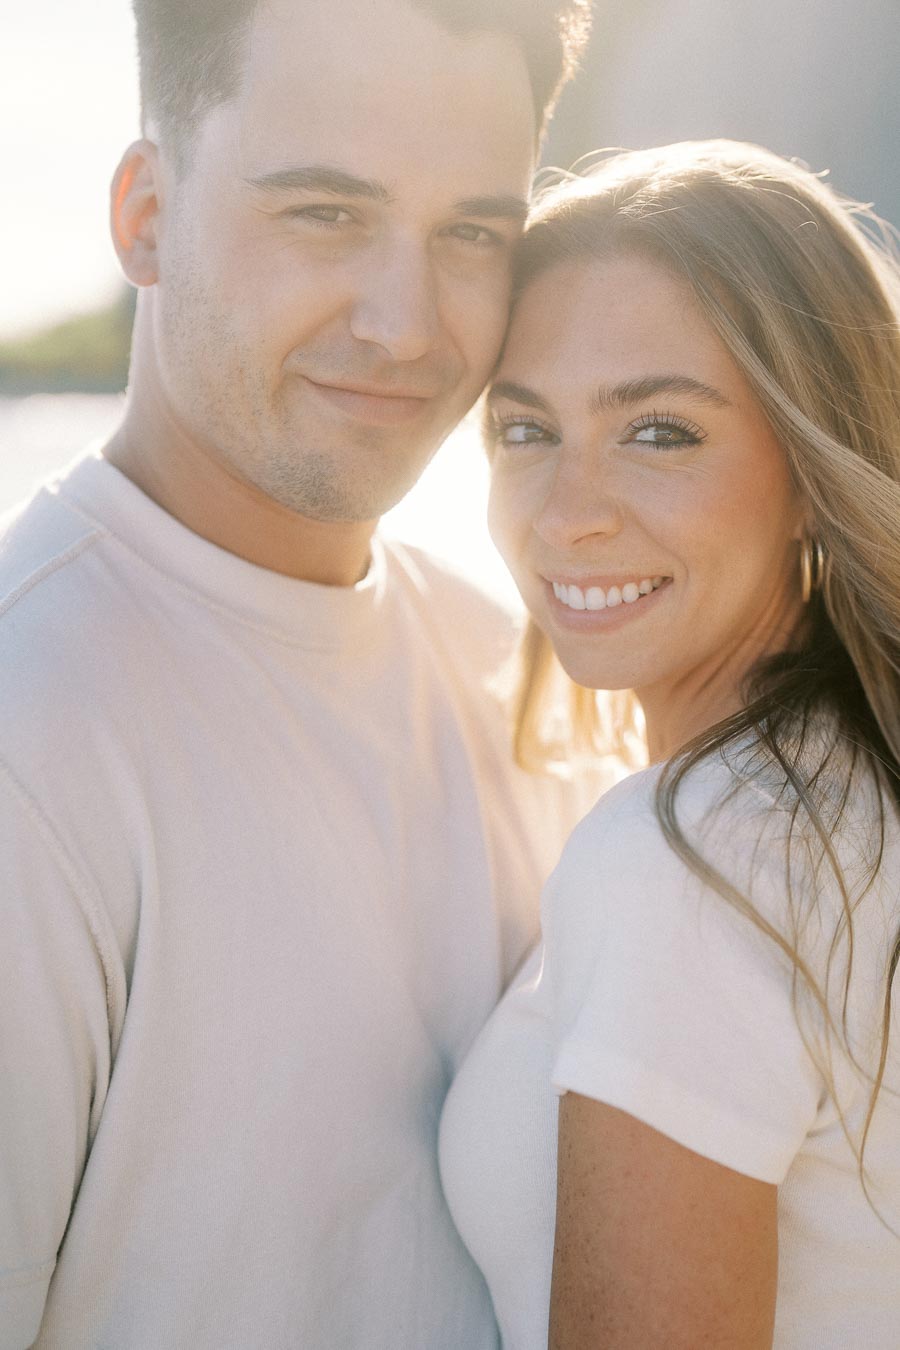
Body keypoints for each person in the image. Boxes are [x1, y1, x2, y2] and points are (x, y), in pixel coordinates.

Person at [0, 1, 596, 1346]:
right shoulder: (31, 731)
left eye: (472, 235)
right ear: (145, 213)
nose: (407, 321)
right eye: (326, 213)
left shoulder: (524, 673)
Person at [440, 140, 900, 1348]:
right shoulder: (845, 805)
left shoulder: (692, 861)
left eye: (657, 432)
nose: (567, 511)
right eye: (525, 428)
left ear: (810, 464)